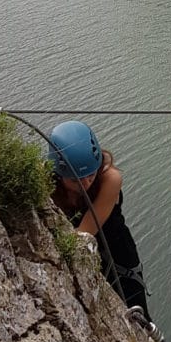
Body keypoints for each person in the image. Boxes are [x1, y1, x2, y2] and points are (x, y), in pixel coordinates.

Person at [49, 120, 149, 318]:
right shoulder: (48, 183)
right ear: (59, 174)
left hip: (117, 257)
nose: (85, 184)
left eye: (90, 175)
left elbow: (85, 233)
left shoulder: (110, 178)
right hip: (81, 255)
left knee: (138, 318)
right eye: (75, 180)